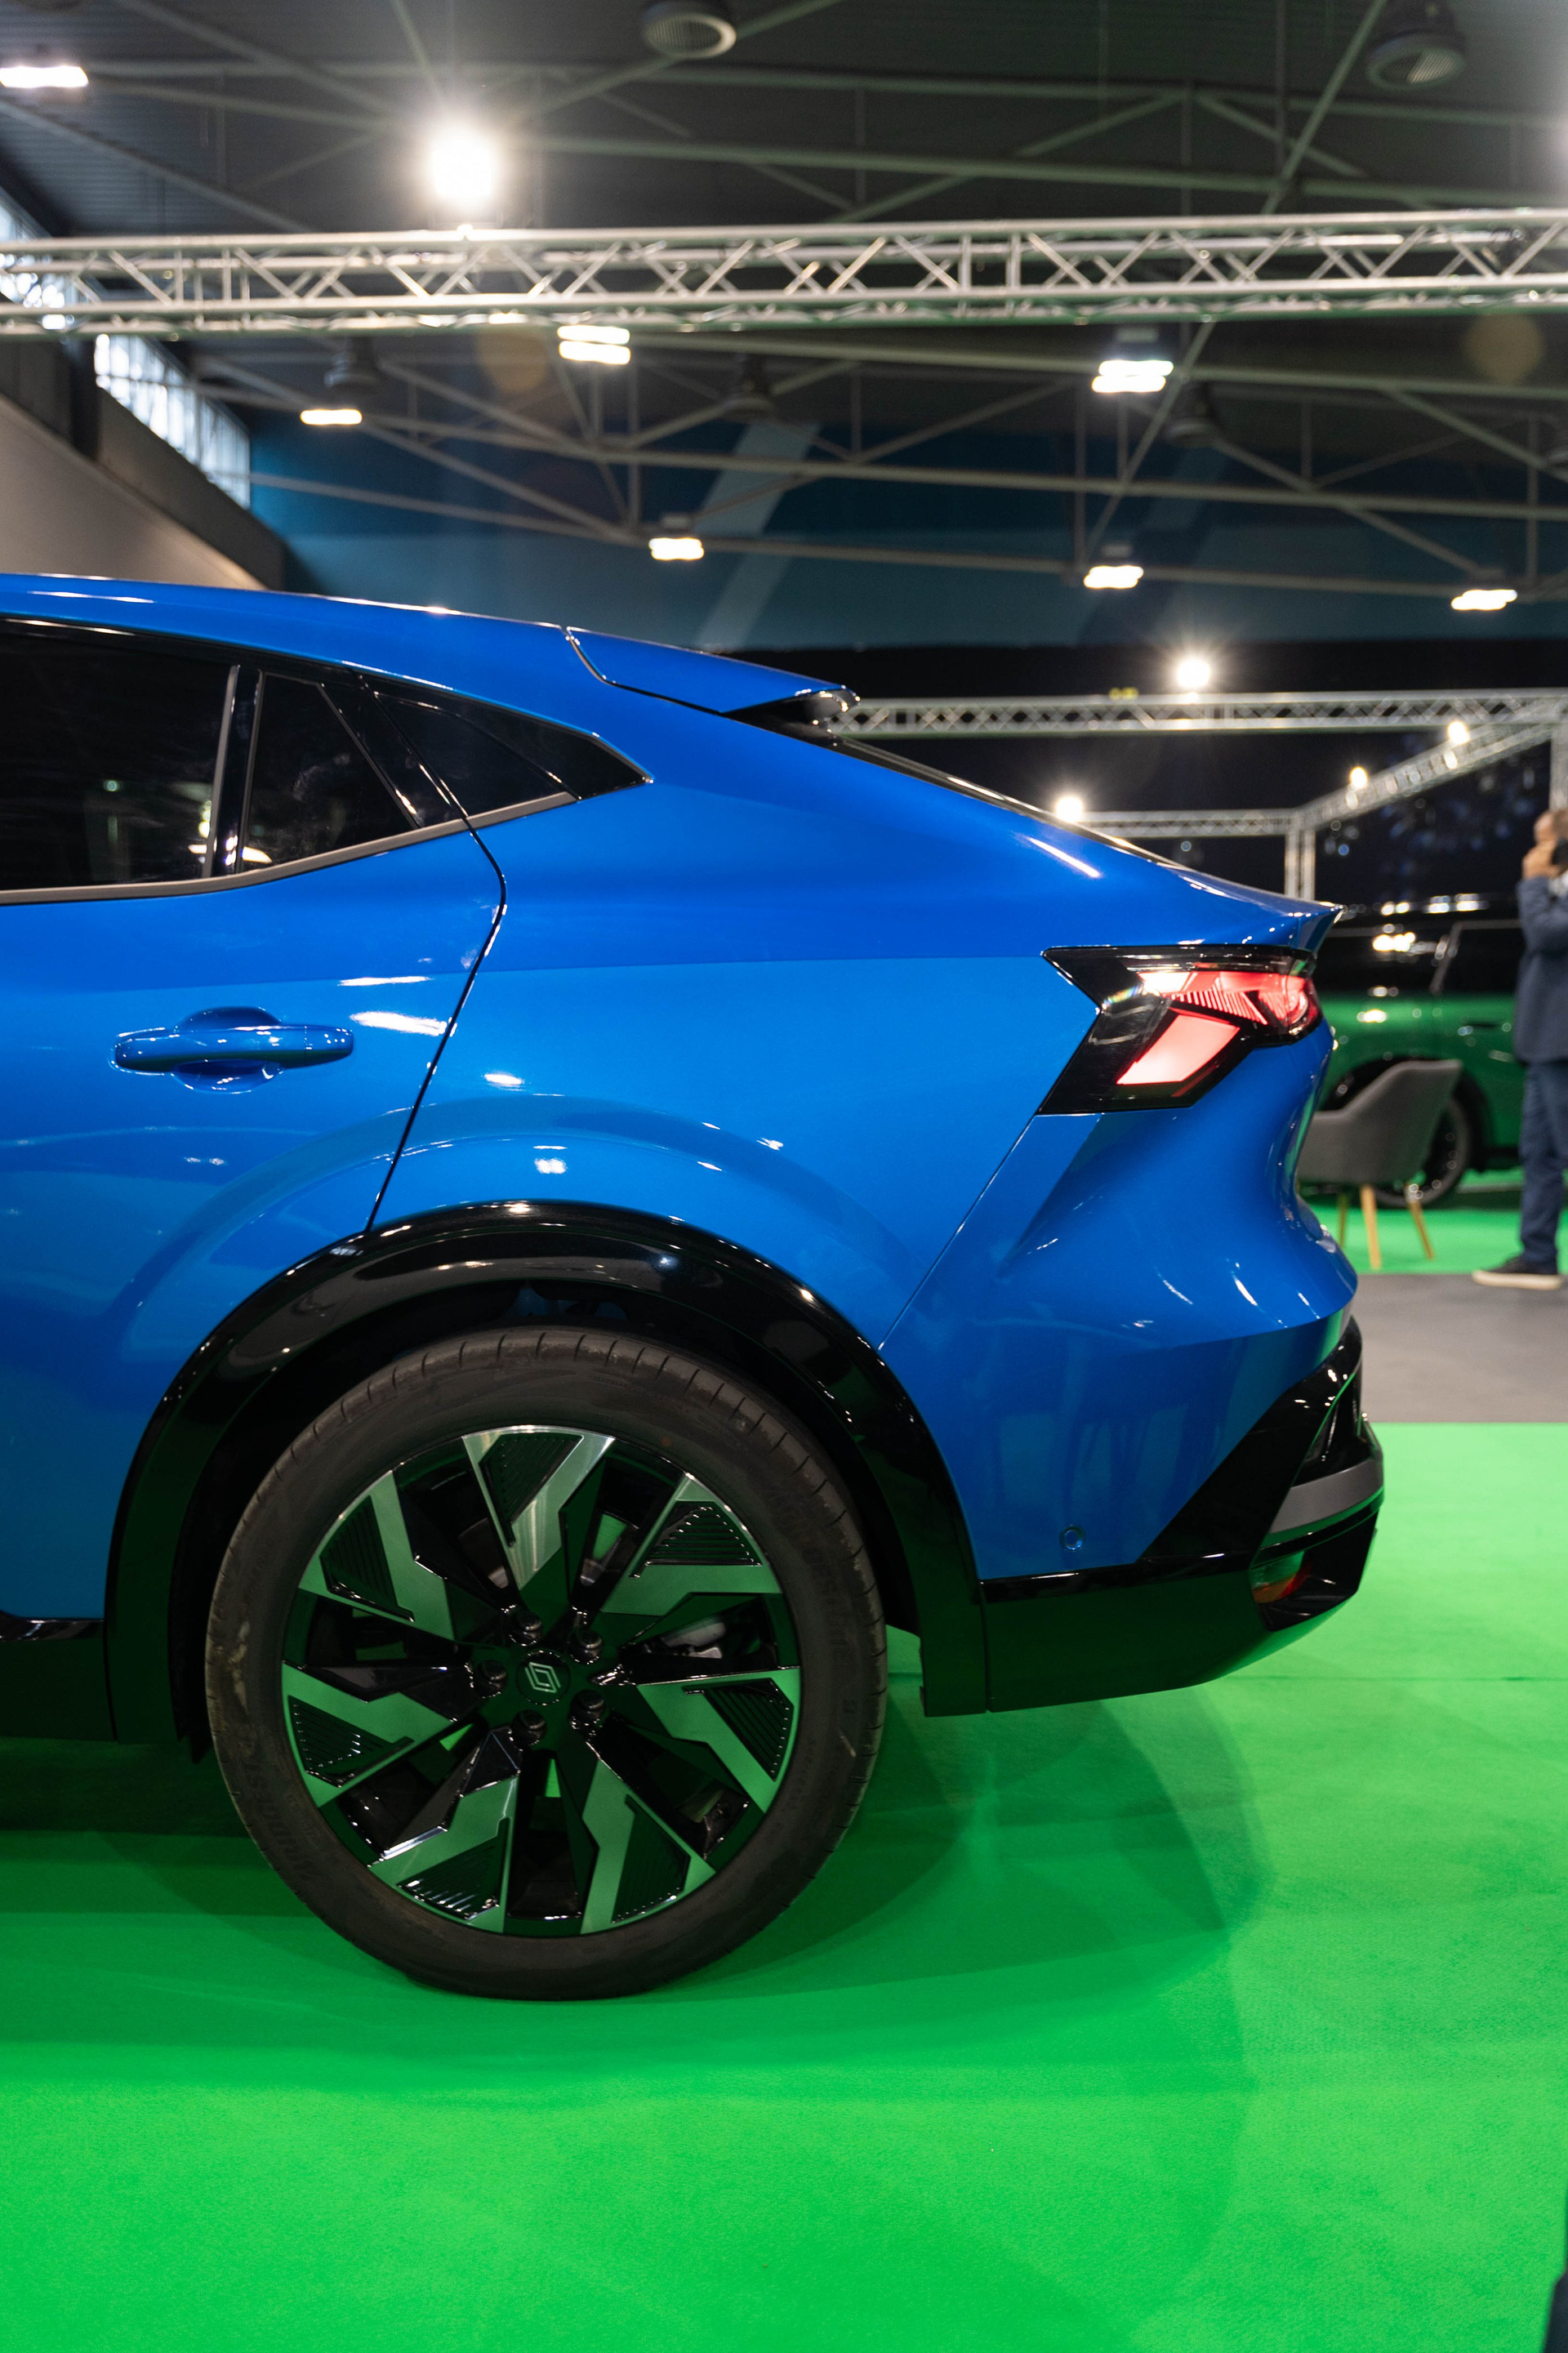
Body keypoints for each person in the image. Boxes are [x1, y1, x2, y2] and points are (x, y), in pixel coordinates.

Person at [1475, 804, 1568, 1290]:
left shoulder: (1547, 892)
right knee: (1539, 1153)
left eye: (1542, 839)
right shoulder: (1557, 891)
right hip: (1546, 1044)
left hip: (1561, 1044)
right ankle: (1537, 1255)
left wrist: (1532, 883)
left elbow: (1548, 935)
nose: (1534, 851)